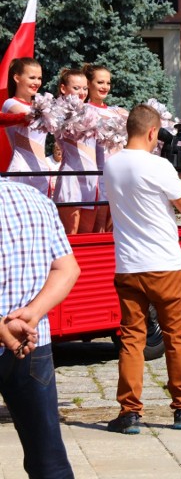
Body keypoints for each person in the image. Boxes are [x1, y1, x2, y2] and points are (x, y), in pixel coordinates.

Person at [104, 104, 181, 434]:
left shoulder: (111, 164)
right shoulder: (159, 166)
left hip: (129, 266)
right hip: (165, 266)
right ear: (152, 132)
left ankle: (129, 413)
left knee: (132, 340)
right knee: (175, 338)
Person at [0, 175, 81, 478]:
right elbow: (68, 268)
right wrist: (32, 314)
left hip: (18, 336)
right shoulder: (36, 200)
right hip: (32, 342)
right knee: (48, 457)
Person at [52, 68, 98, 235]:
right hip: (71, 177)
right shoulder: (56, 112)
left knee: (87, 236)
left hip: (91, 178)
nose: (82, 92)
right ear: (63, 89)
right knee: (70, 236)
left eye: (85, 88)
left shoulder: (92, 111)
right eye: (77, 88)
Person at [85, 64, 126, 233]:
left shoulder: (117, 111)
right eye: (100, 82)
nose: (105, 87)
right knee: (98, 228)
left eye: (108, 83)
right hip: (98, 176)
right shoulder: (84, 110)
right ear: (88, 83)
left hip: (119, 174)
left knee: (114, 227)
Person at [2, 57, 50, 195]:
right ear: (17, 78)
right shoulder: (10, 103)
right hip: (21, 172)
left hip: (42, 172)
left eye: (39, 78)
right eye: (32, 78)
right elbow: (29, 116)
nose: (37, 83)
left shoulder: (41, 106)